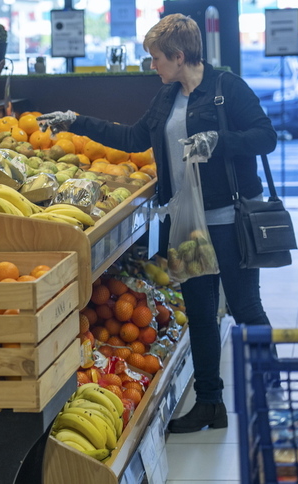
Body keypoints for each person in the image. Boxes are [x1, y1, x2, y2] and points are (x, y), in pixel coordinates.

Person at [38, 13, 277, 433]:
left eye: (156, 59)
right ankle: (209, 405)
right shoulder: (166, 99)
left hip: (229, 219)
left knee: (244, 307)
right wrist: (76, 120)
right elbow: (132, 139)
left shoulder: (226, 88)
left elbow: (266, 136)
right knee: (202, 315)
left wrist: (219, 141)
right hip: (187, 223)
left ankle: (273, 388)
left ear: (179, 56)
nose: (152, 67)